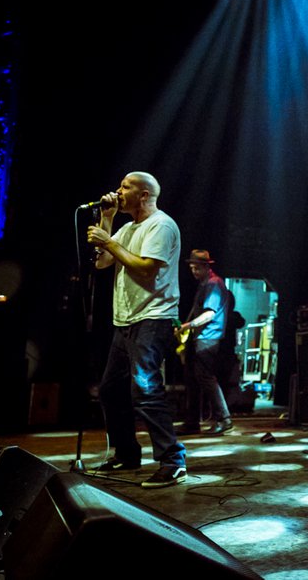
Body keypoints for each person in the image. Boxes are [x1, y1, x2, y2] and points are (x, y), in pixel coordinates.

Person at [86, 171, 187, 488]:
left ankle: (173, 460)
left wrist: (108, 242)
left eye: (125, 186)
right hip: (125, 320)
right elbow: (102, 262)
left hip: (153, 317)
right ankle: (127, 453)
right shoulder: (127, 228)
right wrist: (107, 220)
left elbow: (146, 269)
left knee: (144, 388)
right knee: (110, 390)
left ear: (144, 195)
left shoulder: (161, 225)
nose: (118, 190)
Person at [176, 249, 235, 436]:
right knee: (192, 379)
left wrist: (187, 326)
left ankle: (224, 419)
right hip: (199, 337)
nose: (194, 272)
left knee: (205, 377)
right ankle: (192, 422)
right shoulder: (204, 284)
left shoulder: (213, 284)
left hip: (208, 338)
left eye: (197, 268)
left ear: (206, 267)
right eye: (192, 268)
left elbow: (210, 314)